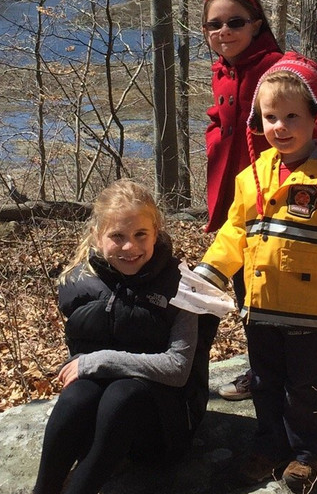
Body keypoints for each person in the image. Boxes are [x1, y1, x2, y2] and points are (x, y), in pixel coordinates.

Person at [195, 53, 317, 494]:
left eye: (292, 116)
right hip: (261, 304)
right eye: (271, 117)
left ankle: (309, 453)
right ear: (259, 122)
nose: (281, 126)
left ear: (316, 118)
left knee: (306, 385)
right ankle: (269, 445)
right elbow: (235, 231)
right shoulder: (252, 177)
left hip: (309, 307)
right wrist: (212, 272)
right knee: (264, 381)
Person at [33, 179, 220, 494]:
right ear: (97, 236)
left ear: (156, 232)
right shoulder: (82, 281)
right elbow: (79, 360)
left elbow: (177, 368)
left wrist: (101, 361)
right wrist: (90, 365)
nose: (129, 247)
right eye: (117, 236)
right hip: (104, 428)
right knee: (78, 395)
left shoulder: (180, 286)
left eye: (140, 235)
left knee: (124, 393)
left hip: (163, 427)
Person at [202, 0, 282, 401]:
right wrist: (215, 136)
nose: (224, 32)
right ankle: (262, 373)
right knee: (242, 291)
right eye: (213, 25)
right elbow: (221, 117)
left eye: (235, 22)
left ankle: (279, 379)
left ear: (256, 24)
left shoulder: (278, 69)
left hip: (272, 204)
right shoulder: (224, 69)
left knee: (269, 293)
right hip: (234, 204)